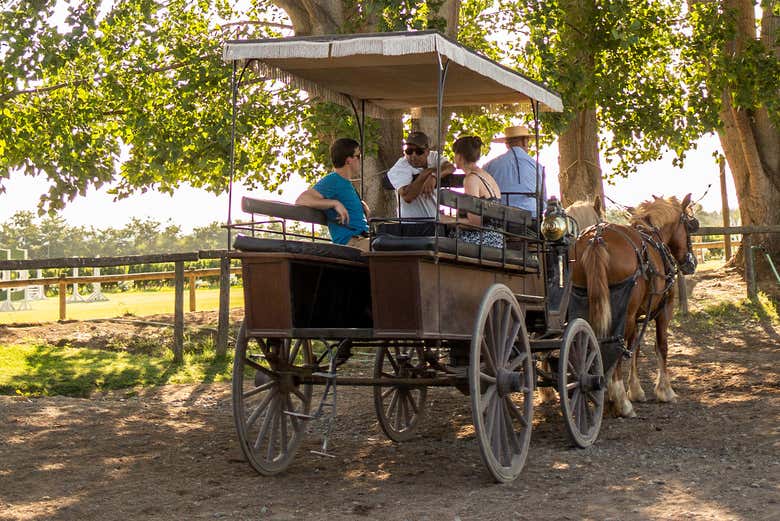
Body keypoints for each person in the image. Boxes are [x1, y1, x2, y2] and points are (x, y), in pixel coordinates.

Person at [295, 138, 370, 250]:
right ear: (348, 160)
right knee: (391, 248)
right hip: (353, 243)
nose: (361, 160)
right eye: (358, 156)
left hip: (364, 239)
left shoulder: (346, 183)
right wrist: (334, 203)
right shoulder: (333, 180)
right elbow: (301, 199)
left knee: (398, 241)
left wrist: (362, 207)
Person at [450, 135, 504, 248]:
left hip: (483, 240)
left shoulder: (471, 179)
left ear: (459, 156)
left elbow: (475, 223)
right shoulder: (486, 176)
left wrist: (445, 219)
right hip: (497, 239)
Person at [386, 131, 455, 219]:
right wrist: (424, 175)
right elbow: (407, 196)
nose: (413, 155)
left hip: (435, 223)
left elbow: (450, 167)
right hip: (411, 226)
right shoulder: (400, 166)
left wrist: (434, 175)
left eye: (419, 151)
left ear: (427, 152)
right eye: (409, 151)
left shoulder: (434, 157)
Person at [484, 125, 546, 218]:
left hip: (500, 216)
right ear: (525, 141)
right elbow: (543, 199)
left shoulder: (489, 166)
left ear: (506, 144)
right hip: (530, 216)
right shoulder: (537, 167)